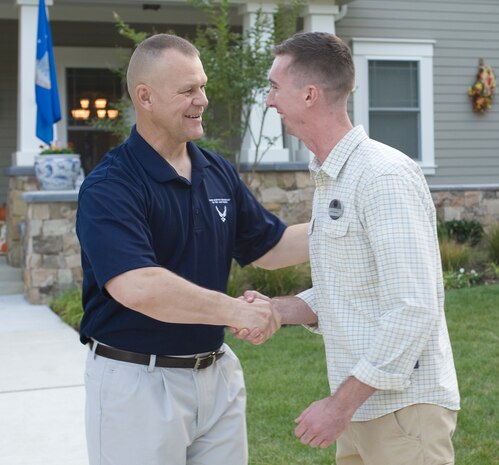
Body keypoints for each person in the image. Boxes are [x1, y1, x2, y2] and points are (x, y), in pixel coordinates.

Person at [75, 33, 309, 465]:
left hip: (216, 377)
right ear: (144, 97)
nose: (202, 99)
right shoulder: (111, 186)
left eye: (202, 86)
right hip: (137, 384)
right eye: (187, 90)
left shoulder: (215, 170)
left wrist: (350, 224)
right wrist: (236, 311)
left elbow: (271, 246)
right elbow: (139, 287)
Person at [241, 32, 460, 465]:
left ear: (309, 94)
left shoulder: (383, 176)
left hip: (403, 413)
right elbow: (351, 288)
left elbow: (413, 307)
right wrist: (279, 310)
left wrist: (338, 407)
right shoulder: (332, 175)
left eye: (274, 87)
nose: (268, 100)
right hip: (364, 408)